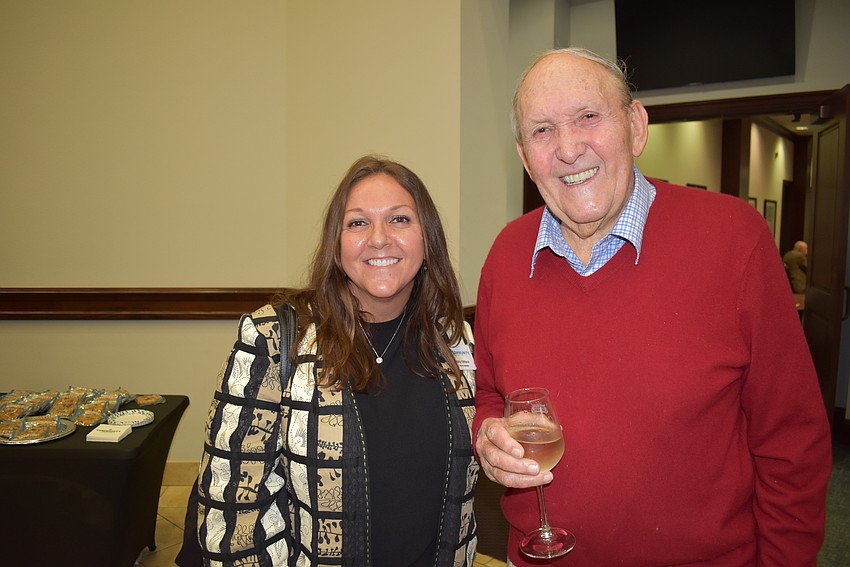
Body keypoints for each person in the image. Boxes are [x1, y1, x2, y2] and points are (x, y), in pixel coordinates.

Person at [472, 48, 832, 566]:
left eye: (588, 117)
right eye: (543, 131)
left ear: (636, 127)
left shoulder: (735, 240)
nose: (569, 149)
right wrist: (488, 435)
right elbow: (490, 393)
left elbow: (793, 444)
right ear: (525, 157)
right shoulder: (505, 256)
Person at [194, 155, 478, 566]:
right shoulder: (275, 342)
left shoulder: (453, 341)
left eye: (399, 219)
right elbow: (232, 515)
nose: (379, 238)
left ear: (428, 239)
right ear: (336, 245)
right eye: (358, 223)